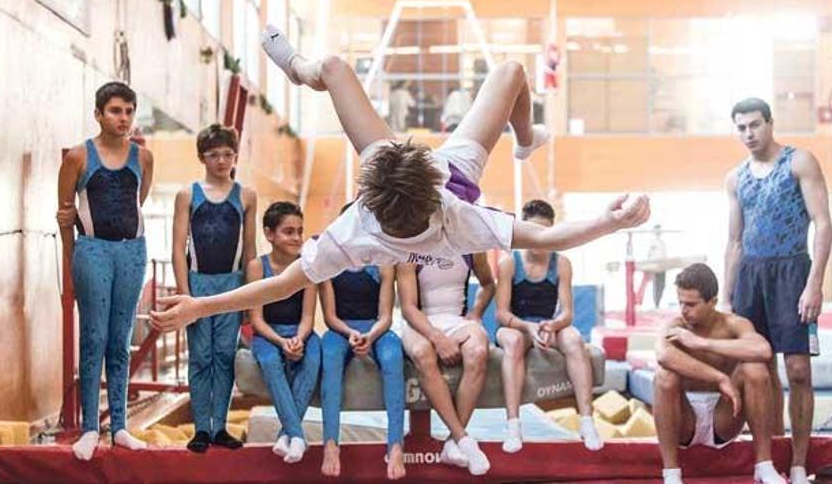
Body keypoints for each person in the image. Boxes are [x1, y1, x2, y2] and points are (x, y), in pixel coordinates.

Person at [149, 26, 649, 358]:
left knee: (344, 71)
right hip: (428, 170)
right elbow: (552, 238)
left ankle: (526, 139)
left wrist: (201, 305)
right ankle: (299, 68)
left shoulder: (406, 215)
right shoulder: (389, 218)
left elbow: (283, 285)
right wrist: (613, 220)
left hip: (423, 170)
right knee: (510, 73)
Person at [722, 97, 832, 484]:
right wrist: (726, 297)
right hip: (751, 275)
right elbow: (734, 241)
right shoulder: (736, 178)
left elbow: (822, 223)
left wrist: (814, 283)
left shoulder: (800, 162)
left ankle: (799, 462)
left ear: (770, 123)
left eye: (754, 125)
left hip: (792, 271)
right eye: (741, 127)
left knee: (798, 370)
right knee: (759, 373)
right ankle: (769, 457)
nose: (748, 133)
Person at [57, 82, 155, 460]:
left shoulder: (143, 158)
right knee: (94, 338)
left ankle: (120, 428)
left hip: (132, 251)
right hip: (92, 251)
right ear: (98, 114)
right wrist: (74, 260)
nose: (123, 118)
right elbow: (66, 215)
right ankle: (89, 429)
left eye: (129, 111)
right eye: (115, 110)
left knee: (120, 339)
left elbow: (137, 201)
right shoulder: (79, 157)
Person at [654, 263, 784, 484]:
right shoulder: (675, 326)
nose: (684, 310)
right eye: (681, 303)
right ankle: (671, 474)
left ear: (712, 302)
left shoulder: (734, 324)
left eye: (692, 304)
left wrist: (701, 343)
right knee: (665, 376)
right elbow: (664, 356)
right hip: (684, 421)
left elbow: (763, 350)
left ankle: (764, 466)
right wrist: (720, 377)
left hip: (724, 418)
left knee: (755, 369)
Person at [171, 124, 257, 452]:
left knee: (224, 356)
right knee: (200, 356)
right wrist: (184, 294)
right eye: (213, 155)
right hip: (197, 285)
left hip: (231, 285)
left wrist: (251, 295)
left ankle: (219, 426)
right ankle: (201, 429)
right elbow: (179, 248)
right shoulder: (187, 195)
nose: (221, 160)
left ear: (235, 156)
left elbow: (249, 251)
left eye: (227, 154)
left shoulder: (246, 196)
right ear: (202, 157)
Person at [494, 199, 602, 453]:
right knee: (512, 341)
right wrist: (526, 327)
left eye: (545, 234)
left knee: (574, 338)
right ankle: (513, 424)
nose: (539, 240)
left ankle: (586, 420)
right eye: (533, 233)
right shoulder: (509, 263)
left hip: (546, 326)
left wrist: (554, 325)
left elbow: (567, 312)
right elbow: (501, 313)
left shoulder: (561, 263)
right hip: (517, 326)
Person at [319, 206, 405, 480]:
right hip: (340, 328)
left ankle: (395, 446)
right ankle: (331, 444)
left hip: (375, 328)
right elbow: (330, 316)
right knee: (330, 357)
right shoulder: (330, 261)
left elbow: (385, 316)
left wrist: (371, 336)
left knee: (393, 357)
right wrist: (349, 334)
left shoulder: (383, 261)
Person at [397, 250, 496, 476]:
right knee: (422, 353)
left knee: (479, 351)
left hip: (457, 320)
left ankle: (453, 442)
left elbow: (489, 284)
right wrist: (437, 338)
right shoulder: (411, 249)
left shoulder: (471, 246)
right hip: (420, 323)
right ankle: (463, 439)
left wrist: (476, 313)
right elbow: (409, 308)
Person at [245, 202, 321, 464]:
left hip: (300, 331)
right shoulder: (257, 267)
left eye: (300, 231)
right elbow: (256, 319)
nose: (297, 238)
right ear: (269, 234)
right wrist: (280, 341)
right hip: (268, 334)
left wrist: (299, 338)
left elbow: (308, 316)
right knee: (269, 360)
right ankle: (297, 435)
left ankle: (286, 436)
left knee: (313, 358)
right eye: (289, 231)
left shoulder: (307, 266)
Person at [648, 224, 667, 308]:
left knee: (662, 284)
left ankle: (658, 303)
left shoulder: (662, 242)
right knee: (656, 284)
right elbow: (649, 254)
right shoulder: (652, 242)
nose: (659, 232)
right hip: (655, 265)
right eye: (657, 230)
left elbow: (664, 254)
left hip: (663, 265)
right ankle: (656, 304)